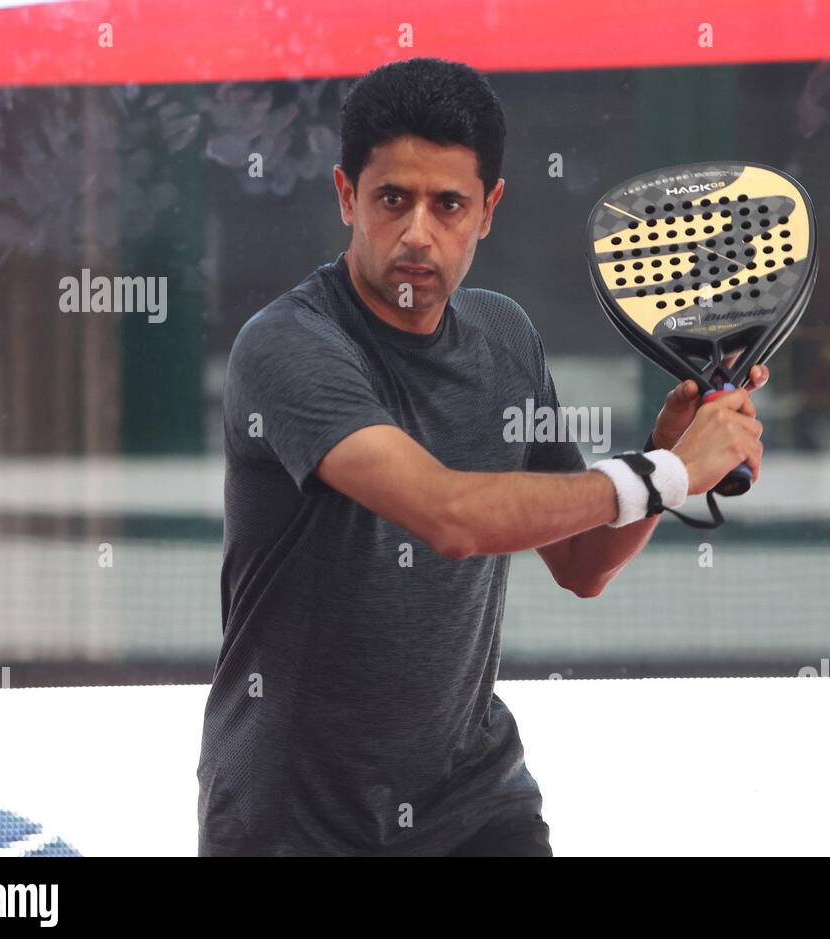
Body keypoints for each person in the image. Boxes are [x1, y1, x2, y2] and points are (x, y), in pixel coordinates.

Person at [197, 56, 767, 856]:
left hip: (475, 804)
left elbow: (580, 563)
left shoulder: (504, 336)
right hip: (296, 822)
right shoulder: (288, 347)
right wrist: (669, 474)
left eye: (449, 204)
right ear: (345, 197)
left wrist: (667, 451)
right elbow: (448, 514)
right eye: (392, 199)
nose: (419, 232)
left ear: (489, 209)